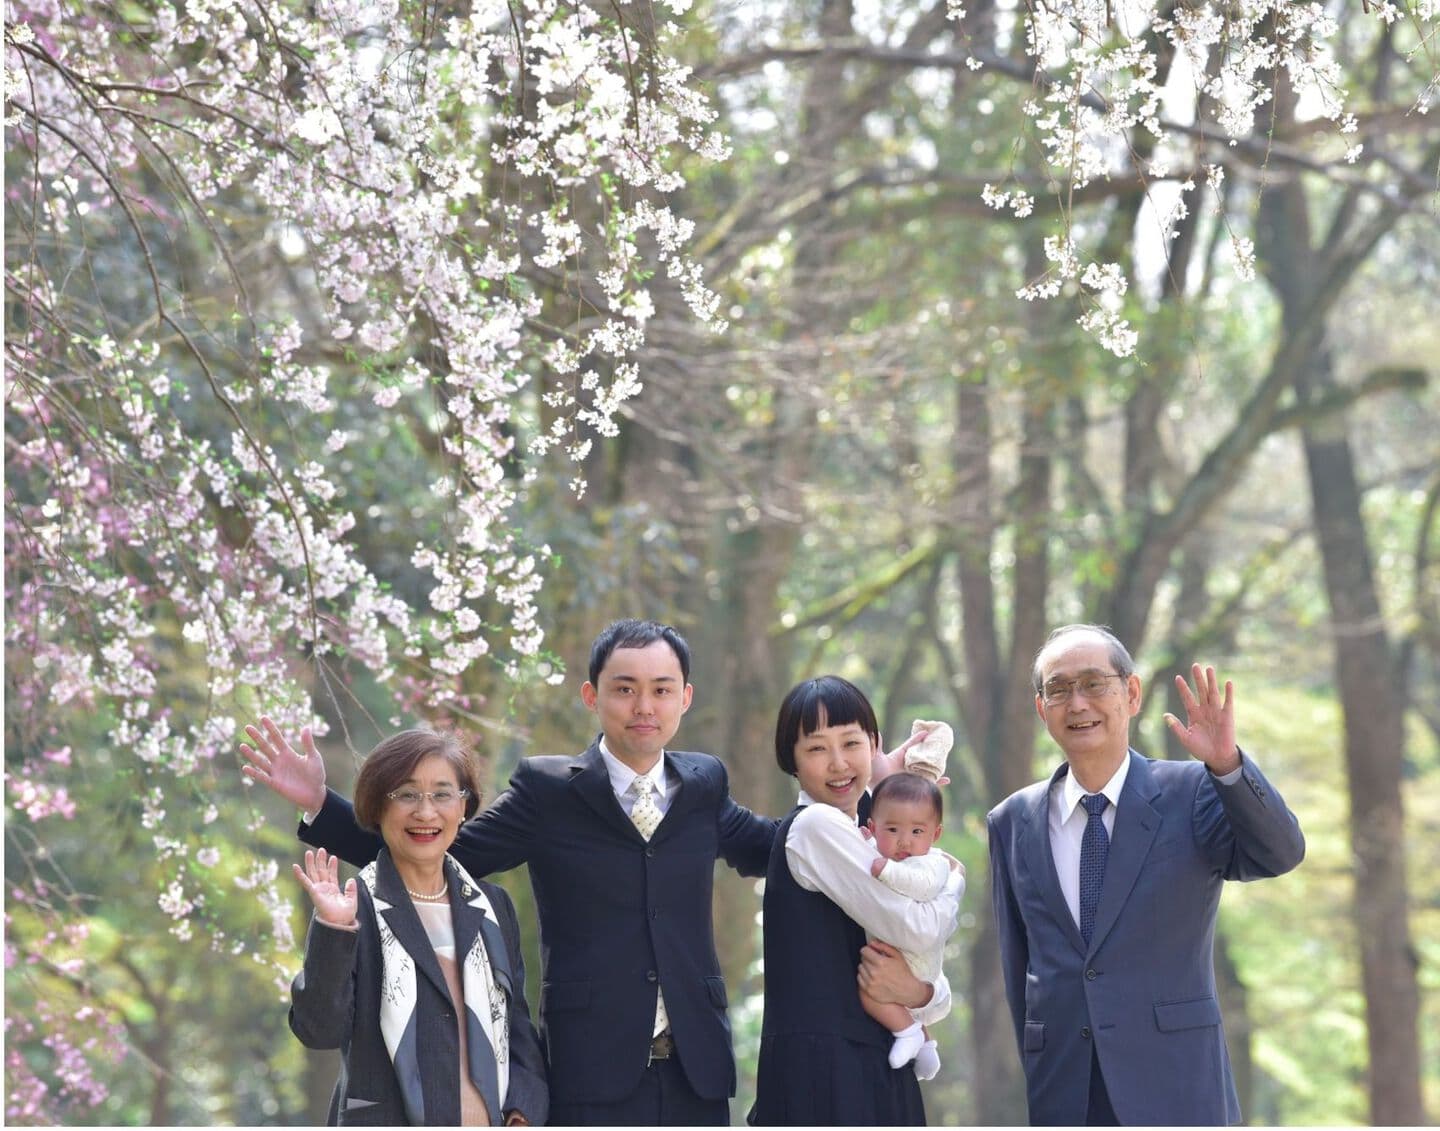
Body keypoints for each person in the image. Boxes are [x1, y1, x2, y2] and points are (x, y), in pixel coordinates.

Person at [243, 619, 776, 1125]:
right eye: (624, 688)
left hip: (696, 1067)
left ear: (685, 697)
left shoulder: (705, 783)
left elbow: (771, 850)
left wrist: (853, 813)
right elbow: (440, 848)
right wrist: (321, 804)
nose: (644, 706)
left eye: (662, 690)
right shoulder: (549, 791)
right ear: (592, 696)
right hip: (592, 1071)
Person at [987, 624, 1306, 1126]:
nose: (1077, 703)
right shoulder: (1012, 820)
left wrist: (1227, 766)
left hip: (1175, 1086)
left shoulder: (1193, 793)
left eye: (1095, 684)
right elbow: (1018, 966)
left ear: (1131, 693)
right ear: (1040, 707)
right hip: (1065, 1093)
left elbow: (1281, 853)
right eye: (1059, 689)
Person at [287, 729, 547, 1126]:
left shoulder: (493, 907)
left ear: (464, 807)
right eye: (406, 795)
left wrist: (523, 1110)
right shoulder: (355, 908)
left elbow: (516, 1027)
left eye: (443, 794)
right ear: (376, 808)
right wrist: (334, 931)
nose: (426, 813)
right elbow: (318, 1030)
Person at [749, 676, 965, 1126]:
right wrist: (953, 883)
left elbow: (915, 964)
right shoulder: (815, 828)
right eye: (816, 749)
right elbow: (917, 929)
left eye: (851, 743)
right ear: (791, 759)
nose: (838, 764)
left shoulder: (867, 833)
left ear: (874, 744)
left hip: (872, 1066)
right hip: (825, 1078)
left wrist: (923, 993)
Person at [860, 771, 953, 1082]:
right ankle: (926, 1047)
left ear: (935, 834)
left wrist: (887, 870)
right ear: (873, 828)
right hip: (900, 954)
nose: (904, 841)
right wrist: (867, 845)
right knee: (884, 990)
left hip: (918, 961)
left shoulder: (933, 863)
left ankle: (908, 1032)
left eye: (916, 831)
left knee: (869, 992)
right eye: (892, 829)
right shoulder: (884, 853)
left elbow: (921, 885)